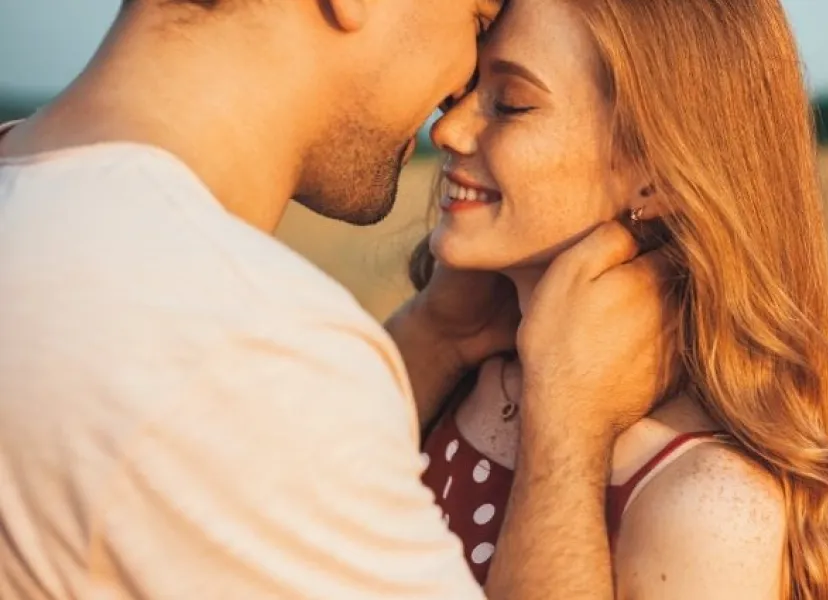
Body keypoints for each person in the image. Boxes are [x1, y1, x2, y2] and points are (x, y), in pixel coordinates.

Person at [0, 0, 667, 598]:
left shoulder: (44, 219)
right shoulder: (240, 348)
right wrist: (567, 430)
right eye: (476, 20)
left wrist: (435, 336)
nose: (454, 99)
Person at [410, 0, 828, 598]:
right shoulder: (455, 375)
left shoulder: (707, 506)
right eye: (464, 90)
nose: (446, 130)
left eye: (510, 104)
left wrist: (566, 427)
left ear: (654, 174)